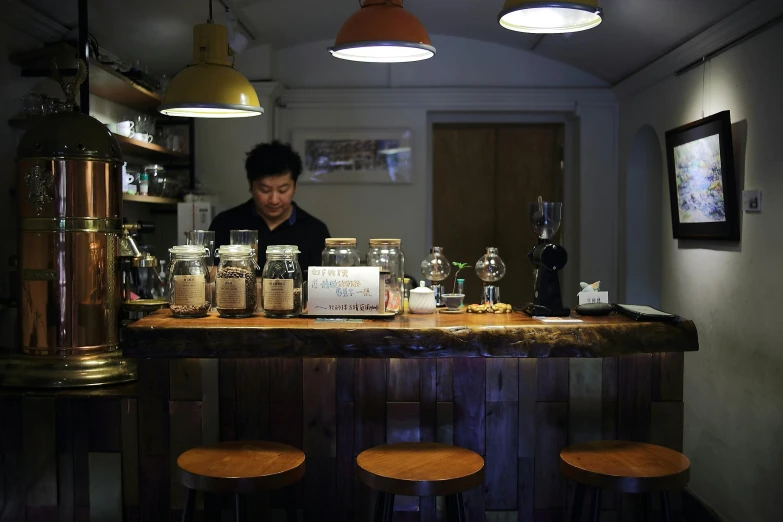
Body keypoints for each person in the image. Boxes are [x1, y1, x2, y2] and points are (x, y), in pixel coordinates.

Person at [209, 141, 330, 274]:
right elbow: (209, 277)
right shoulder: (226, 224)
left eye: (283, 190)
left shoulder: (315, 231)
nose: (274, 200)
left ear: (295, 186)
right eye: (265, 190)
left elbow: (321, 285)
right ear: (250, 185)